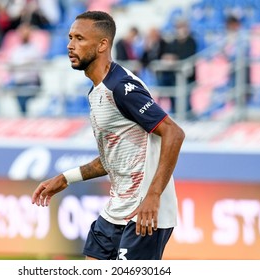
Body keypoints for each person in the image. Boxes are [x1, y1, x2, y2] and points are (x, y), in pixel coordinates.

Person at [32, 11, 185, 260]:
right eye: (70, 37)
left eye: (80, 38)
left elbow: (174, 133)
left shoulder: (122, 88)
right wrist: (65, 178)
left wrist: (153, 196)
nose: (70, 45)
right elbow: (115, 158)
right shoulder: (96, 92)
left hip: (145, 214)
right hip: (117, 209)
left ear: (103, 44)